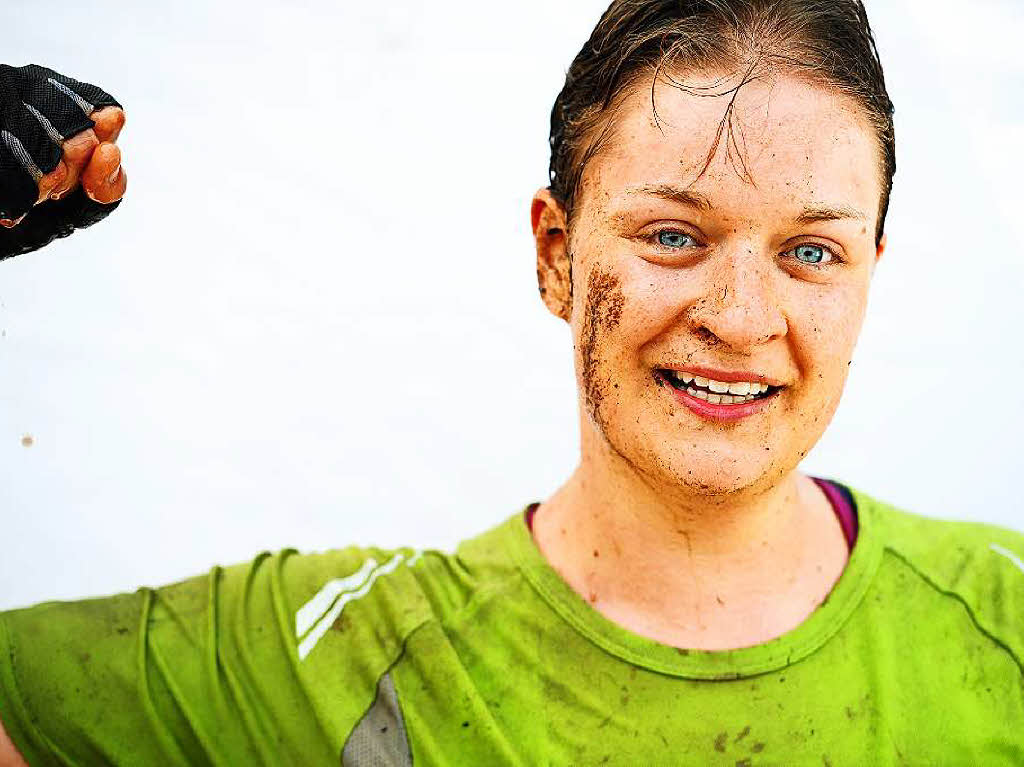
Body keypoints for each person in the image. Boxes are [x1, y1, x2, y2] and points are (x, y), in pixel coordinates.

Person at [1, 0, 1022, 764]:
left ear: (869, 277)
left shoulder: (1003, 618)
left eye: (811, 252)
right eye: (673, 234)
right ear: (555, 255)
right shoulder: (333, 656)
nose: (741, 316)